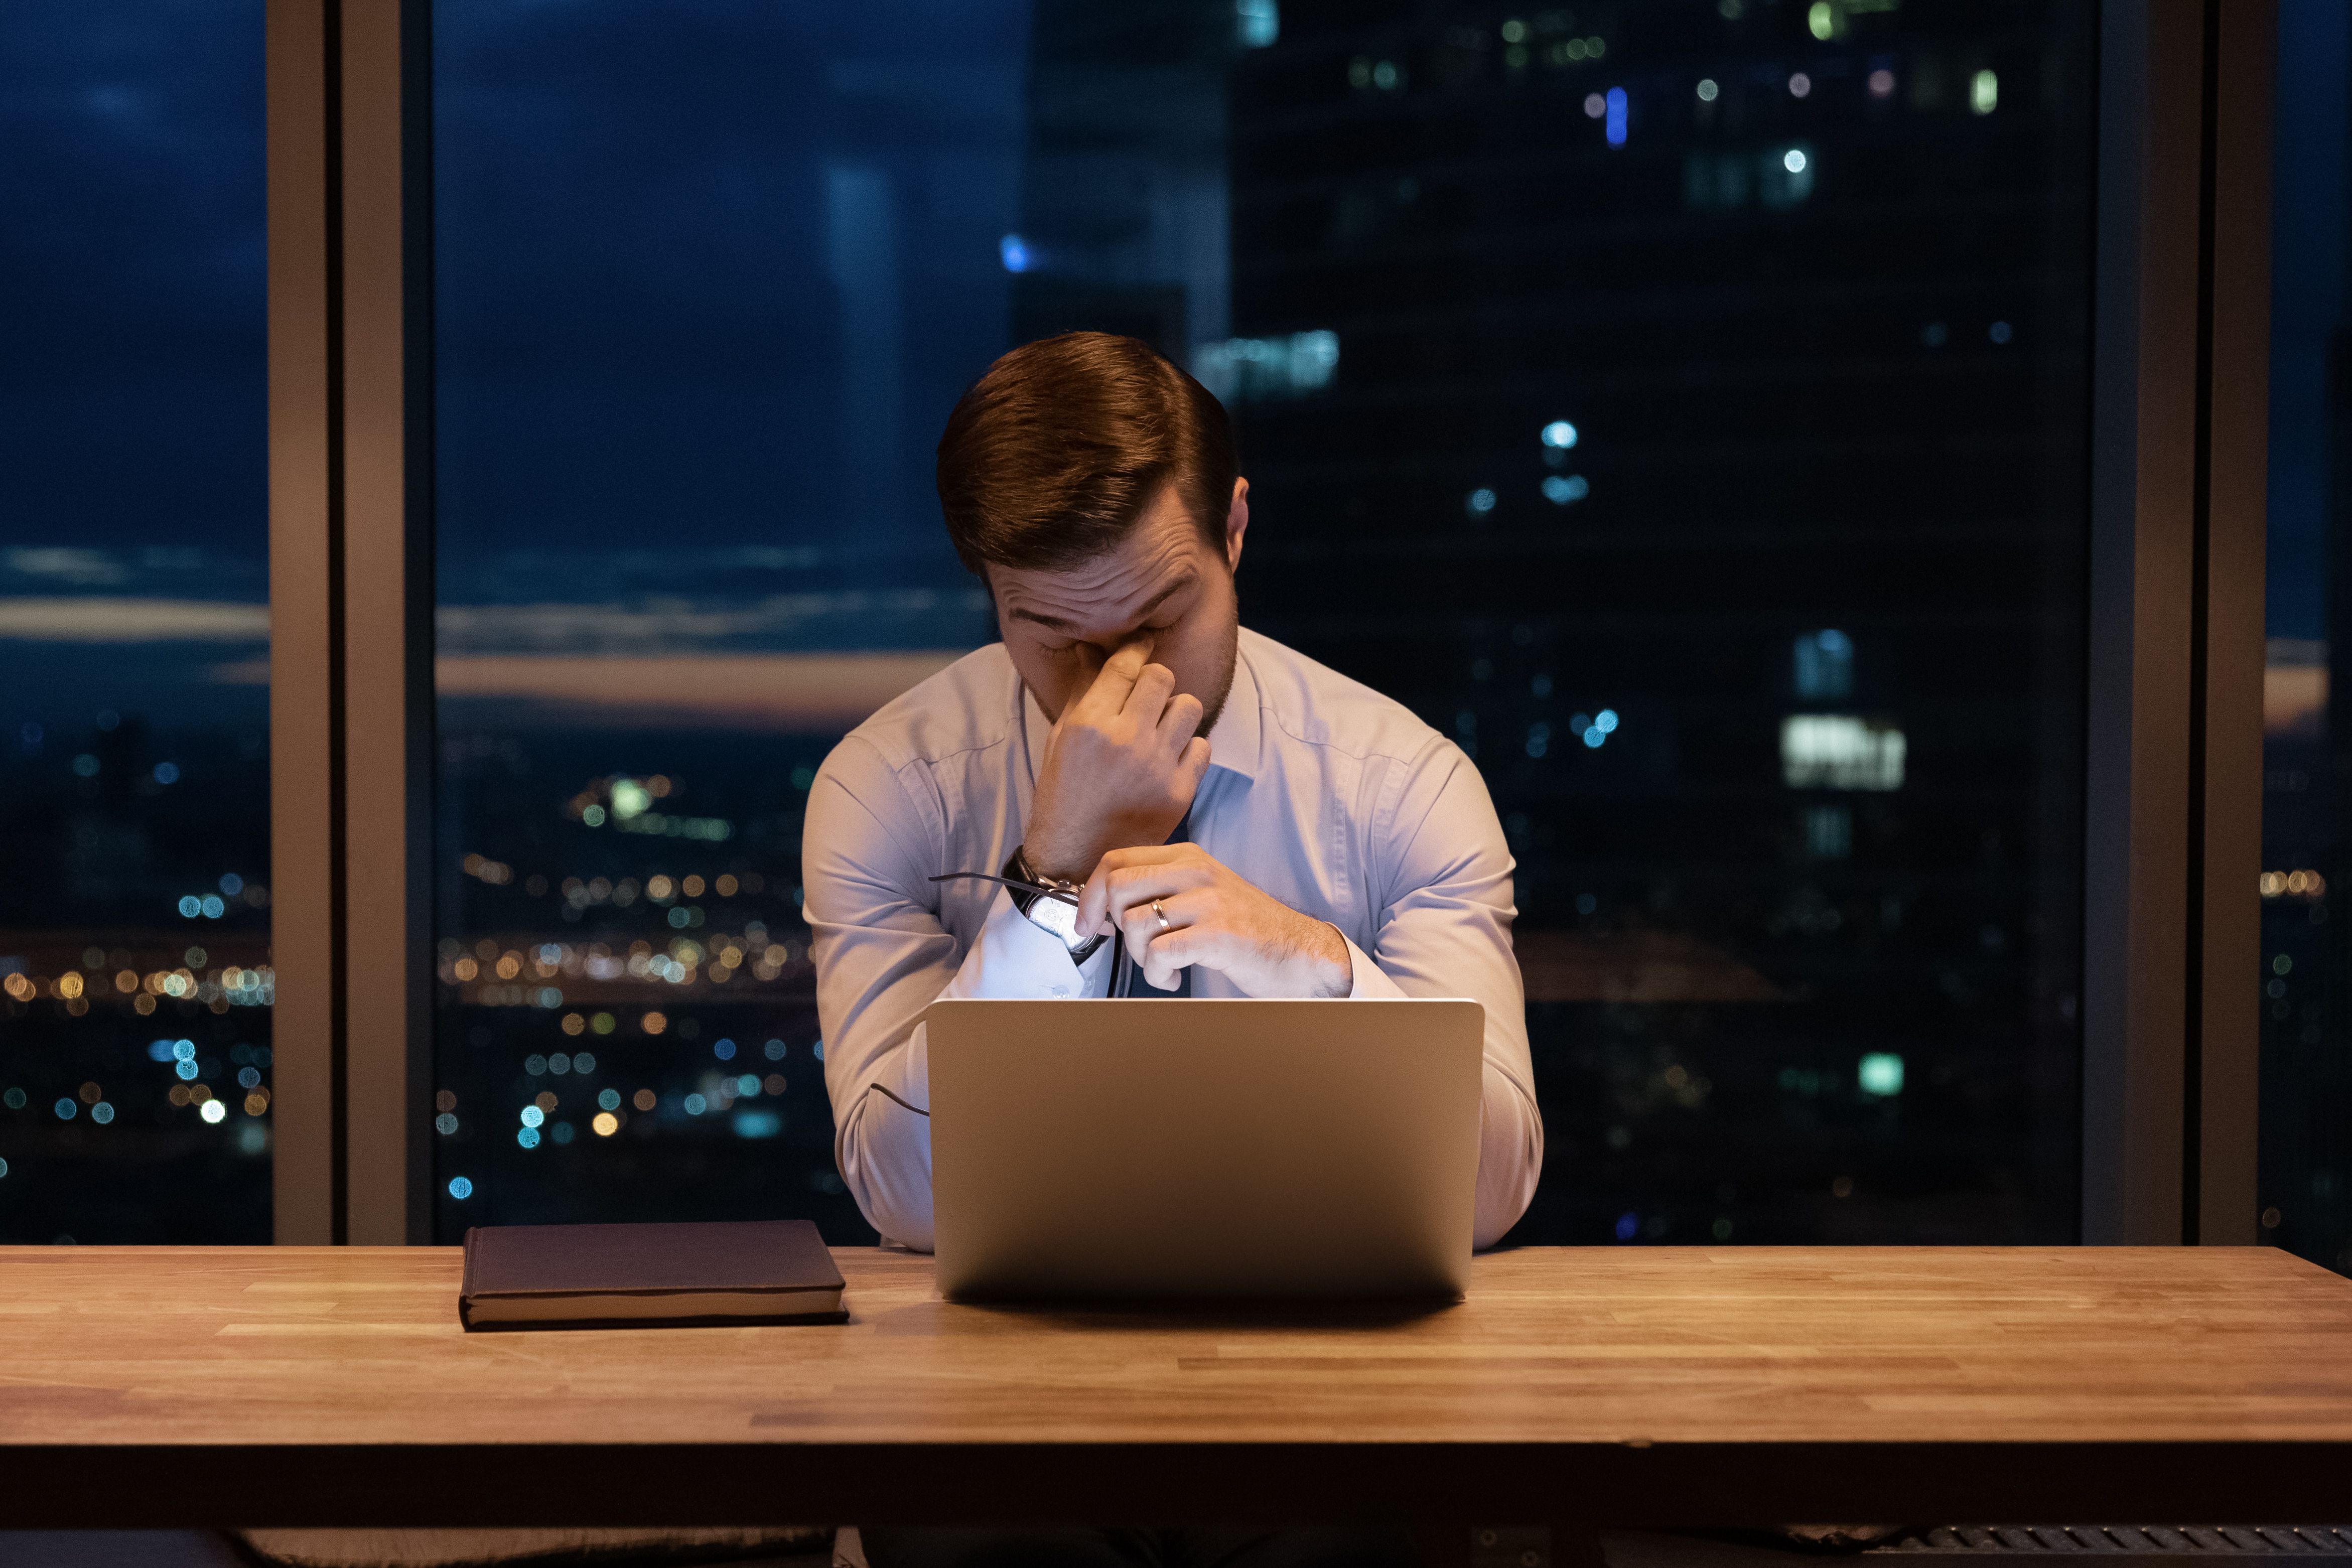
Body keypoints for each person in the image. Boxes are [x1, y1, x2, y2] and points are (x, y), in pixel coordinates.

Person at [806, 335, 1542, 1568]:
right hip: (993, 1411)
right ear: (988, 587)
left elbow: (1493, 1188)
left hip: (1335, 1401)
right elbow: (903, 1199)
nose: (1119, 688)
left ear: (1236, 531)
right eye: (1056, 637)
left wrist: (1309, 961)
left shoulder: (1400, 786)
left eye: (1158, 619)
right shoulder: (890, 788)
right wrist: (1045, 881)